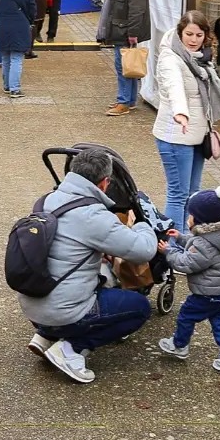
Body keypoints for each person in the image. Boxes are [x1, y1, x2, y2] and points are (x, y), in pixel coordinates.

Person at [19, 147, 166, 384]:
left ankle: (45, 336)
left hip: (33, 305)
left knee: (92, 278)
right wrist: (142, 225)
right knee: (139, 308)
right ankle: (71, 349)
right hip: (64, 313)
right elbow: (144, 251)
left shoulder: (47, 200)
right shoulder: (93, 215)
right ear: (105, 182)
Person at [154, 11, 220, 232]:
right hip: (176, 134)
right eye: (188, 34)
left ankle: (187, 240)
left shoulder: (202, 59)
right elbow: (174, 86)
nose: (193, 40)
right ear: (180, 33)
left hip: (197, 134)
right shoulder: (170, 58)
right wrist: (180, 113)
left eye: (198, 35)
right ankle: (174, 246)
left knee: (193, 193)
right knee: (178, 194)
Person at [156, 186, 220, 377]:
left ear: (201, 219)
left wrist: (168, 251)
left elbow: (188, 263)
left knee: (186, 316)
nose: (188, 218)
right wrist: (179, 238)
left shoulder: (205, 243)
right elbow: (197, 244)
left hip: (207, 295)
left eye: (191, 215)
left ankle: (179, 345)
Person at [97, 0, 150, 116]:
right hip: (122, 27)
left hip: (124, 29)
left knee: (123, 66)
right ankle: (129, 100)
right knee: (129, 65)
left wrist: (132, 32)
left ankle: (124, 102)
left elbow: (137, 7)